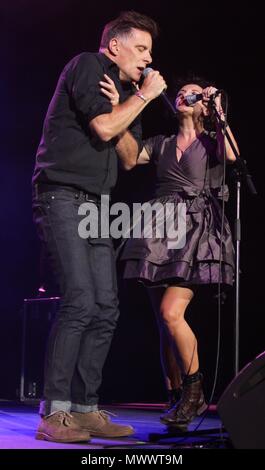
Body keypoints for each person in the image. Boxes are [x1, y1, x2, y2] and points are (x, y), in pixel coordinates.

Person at [32, 10, 167, 443]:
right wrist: (140, 100)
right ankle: (54, 413)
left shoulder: (125, 91)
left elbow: (128, 156)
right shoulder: (88, 65)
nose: (148, 58)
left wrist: (126, 102)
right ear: (115, 45)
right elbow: (105, 127)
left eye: (150, 51)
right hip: (62, 195)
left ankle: (85, 409)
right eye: (141, 48)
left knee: (106, 306)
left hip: (97, 203)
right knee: (79, 301)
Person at [101, 75, 238, 431]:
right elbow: (129, 158)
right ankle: (175, 395)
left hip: (195, 233)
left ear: (205, 106)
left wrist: (219, 110)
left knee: (171, 312)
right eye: (179, 93)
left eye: (192, 94)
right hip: (157, 232)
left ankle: (195, 392)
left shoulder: (212, 142)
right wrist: (117, 109)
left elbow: (234, 157)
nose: (182, 96)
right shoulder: (161, 144)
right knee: (163, 324)